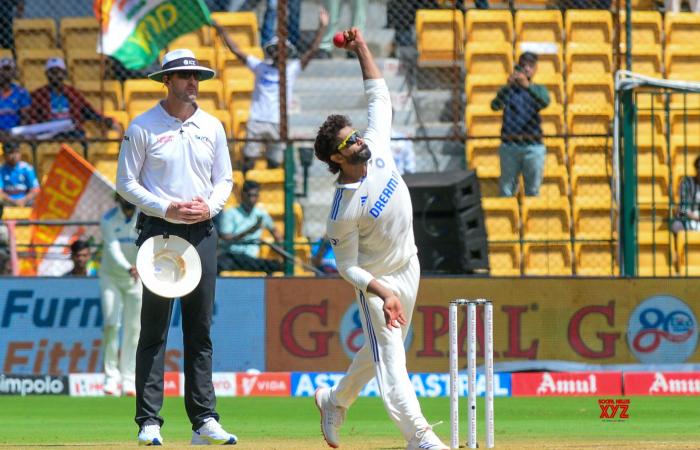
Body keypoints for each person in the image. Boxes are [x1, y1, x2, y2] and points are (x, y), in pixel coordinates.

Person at [312, 28, 449, 450]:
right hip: (378, 280)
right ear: (337, 158)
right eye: (348, 143)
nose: (357, 142)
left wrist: (363, 49)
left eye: (355, 135)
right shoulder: (342, 207)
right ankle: (419, 437)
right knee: (392, 360)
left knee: (381, 353)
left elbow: (379, 97)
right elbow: (345, 266)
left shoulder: (376, 145)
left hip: (410, 263)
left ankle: (334, 400)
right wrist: (381, 291)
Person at [116, 48, 235, 446]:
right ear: (166, 80)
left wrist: (209, 206)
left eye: (196, 75)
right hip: (158, 233)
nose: (192, 82)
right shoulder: (142, 126)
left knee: (200, 329)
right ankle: (149, 421)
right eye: (184, 76)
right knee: (154, 328)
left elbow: (225, 180)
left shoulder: (213, 126)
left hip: (202, 233)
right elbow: (126, 183)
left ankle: (204, 420)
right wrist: (166, 207)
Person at [213, 7, 329, 171]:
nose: (279, 53)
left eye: (283, 51)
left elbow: (312, 51)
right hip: (257, 119)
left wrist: (322, 27)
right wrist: (221, 31)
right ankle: (248, 188)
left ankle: (272, 193)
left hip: (278, 122)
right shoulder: (260, 67)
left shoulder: (292, 69)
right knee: (249, 159)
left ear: (287, 54)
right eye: (276, 50)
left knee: (275, 161)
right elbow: (237, 51)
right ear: (272, 52)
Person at [99, 194, 142, 397]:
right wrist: (129, 268)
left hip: (137, 278)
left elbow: (148, 244)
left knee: (134, 329)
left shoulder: (144, 217)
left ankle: (129, 378)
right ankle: (110, 376)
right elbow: (112, 249)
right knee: (111, 324)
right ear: (117, 198)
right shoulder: (107, 219)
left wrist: (141, 267)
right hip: (112, 278)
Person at [491, 51, 550, 197]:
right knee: (506, 190)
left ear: (535, 69)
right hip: (510, 146)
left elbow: (544, 102)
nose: (527, 69)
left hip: (533, 146)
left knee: (533, 191)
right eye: (523, 65)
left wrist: (527, 86)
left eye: (530, 66)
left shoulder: (539, 89)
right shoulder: (509, 90)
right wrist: (507, 87)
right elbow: (495, 106)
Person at [27, 58, 114, 139]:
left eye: (58, 72)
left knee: (80, 136)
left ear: (64, 74)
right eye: (52, 72)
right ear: (47, 74)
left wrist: (103, 119)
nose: (56, 75)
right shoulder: (39, 94)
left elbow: (88, 110)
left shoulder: (73, 93)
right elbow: (32, 115)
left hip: (71, 130)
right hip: (50, 131)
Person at [217, 180, 284, 274]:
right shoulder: (230, 213)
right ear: (242, 195)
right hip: (233, 256)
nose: (252, 199)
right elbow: (226, 238)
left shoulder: (262, 214)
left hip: (251, 258)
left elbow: (276, 233)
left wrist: (281, 248)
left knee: (279, 266)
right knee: (219, 264)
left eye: (255, 196)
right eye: (249, 195)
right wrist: (249, 231)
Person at [0, 141, 40, 211]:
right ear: (4, 155)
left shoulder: (27, 168)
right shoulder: (1, 170)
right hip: (7, 202)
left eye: (17, 152)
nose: (14, 156)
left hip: (26, 201)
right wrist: (13, 201)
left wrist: (24, 200)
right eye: (11, 153)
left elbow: (35, 190)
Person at [0, 58, 31, 135]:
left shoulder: (21, 92)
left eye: (8, 69)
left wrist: (17, 132)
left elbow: (25, 116)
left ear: (14, 72)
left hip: (14, 133)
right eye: (2, 69)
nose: (5, 73)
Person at [672, 156, 700, 233]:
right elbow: (682, 209)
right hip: (686, 218)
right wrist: (694, 217)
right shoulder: (686, 183)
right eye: (699, 167)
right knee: (676, 226)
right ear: (696, 169)